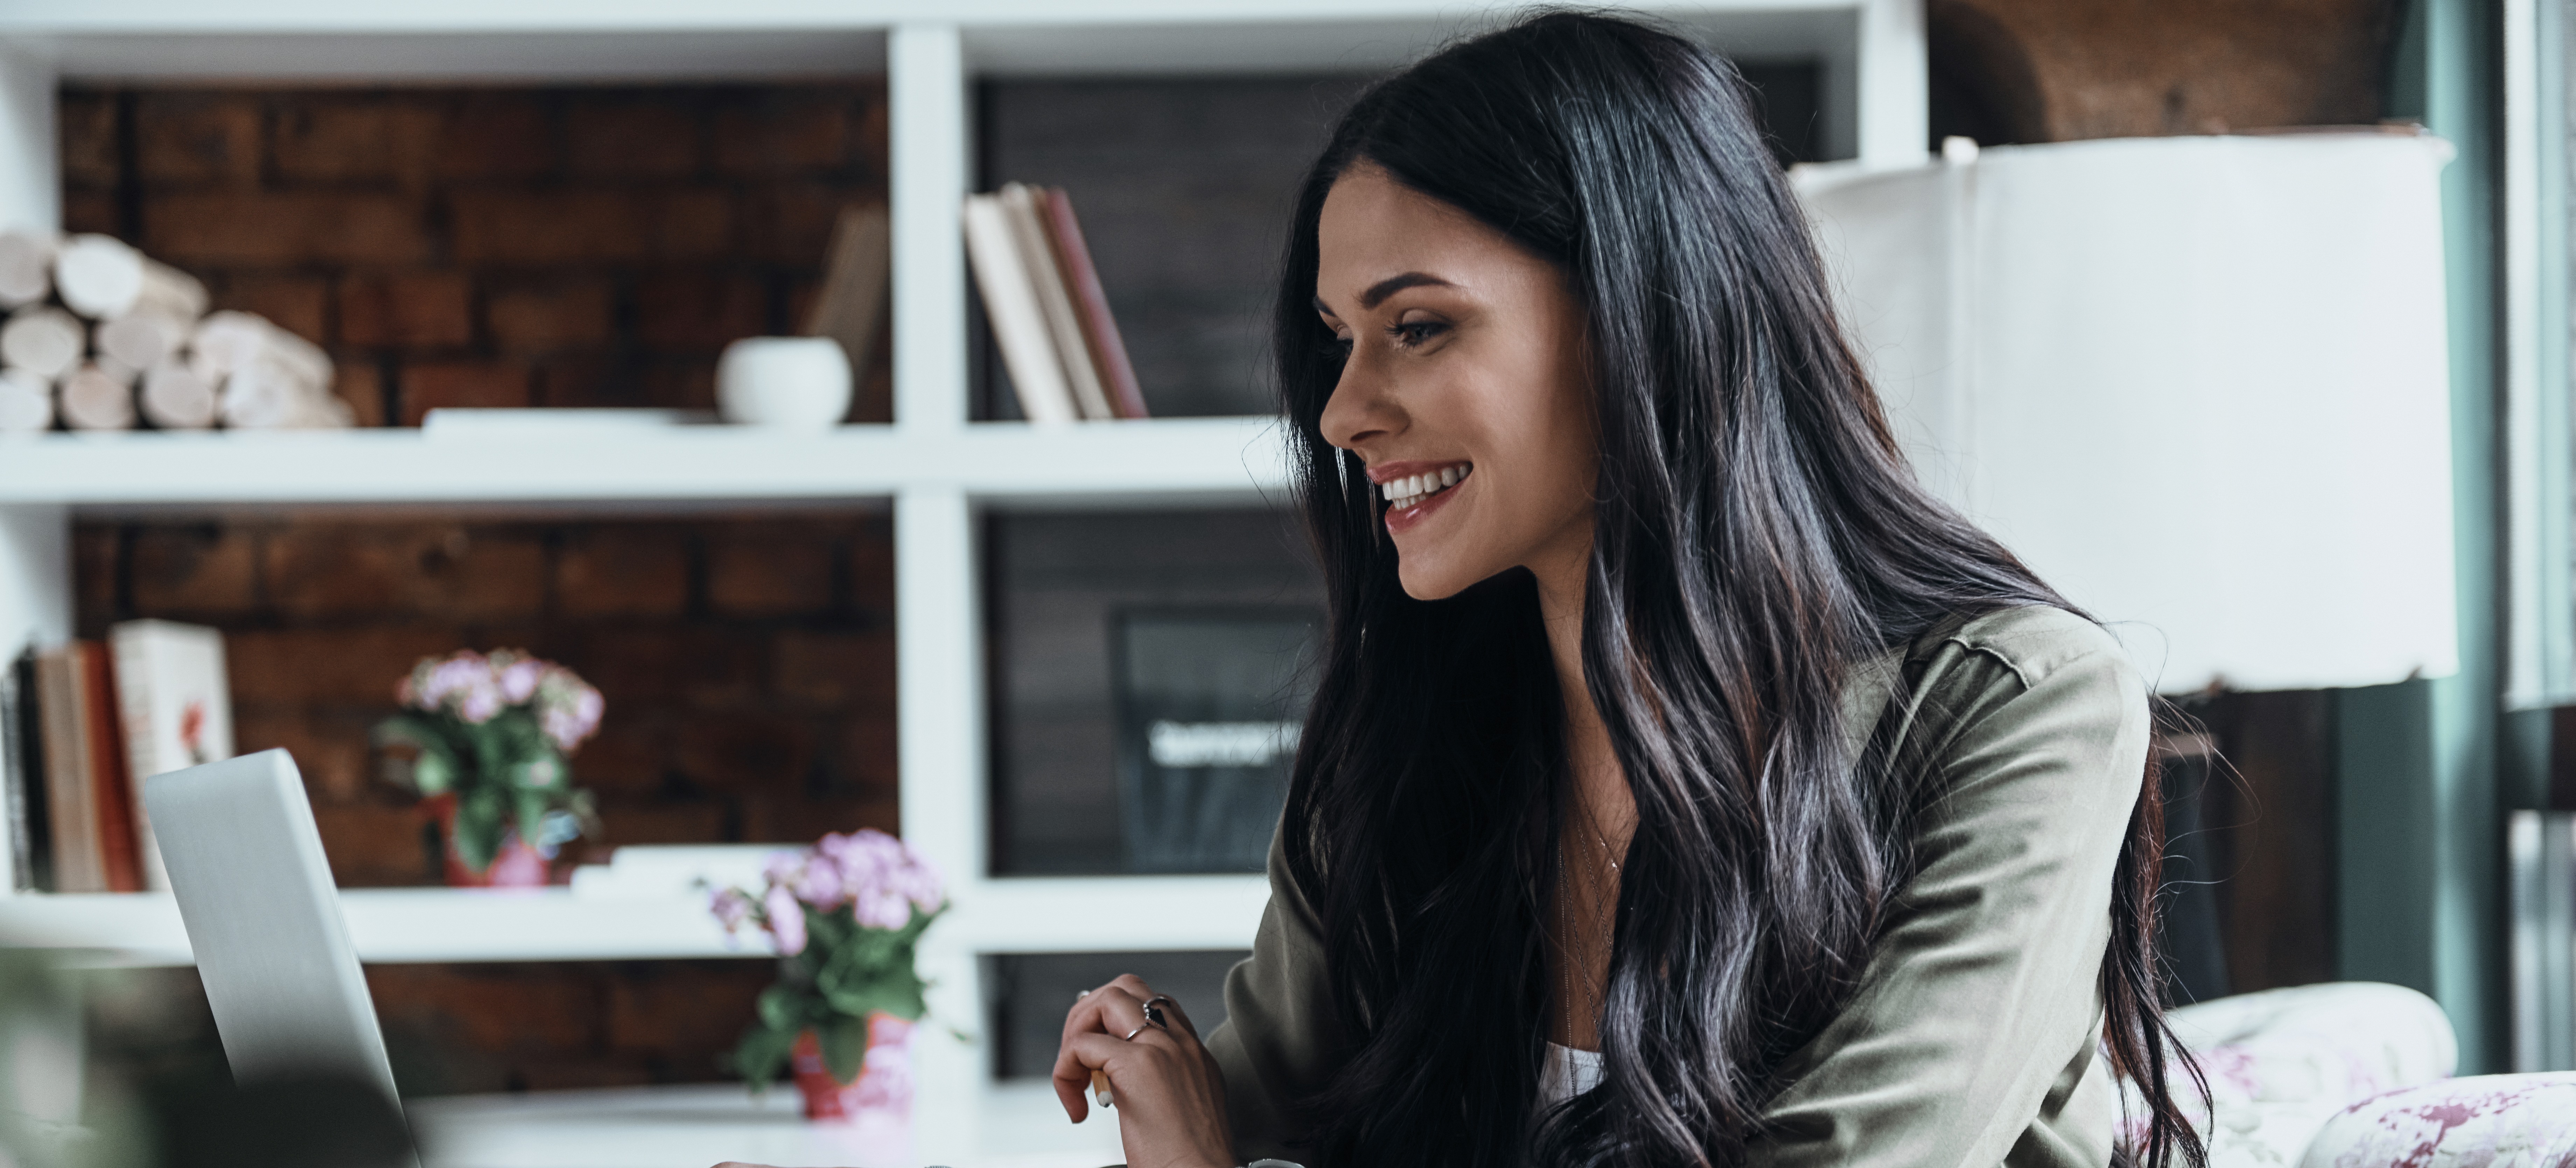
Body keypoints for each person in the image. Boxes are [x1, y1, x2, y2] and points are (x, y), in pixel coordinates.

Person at [1046, 11, 2207, 1168]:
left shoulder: (2013, 711)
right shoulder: (1403, 751)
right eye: (1339, 339)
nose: (1344, 412)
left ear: (1640, 315)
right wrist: (1160, 1079)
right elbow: (1268, 1110)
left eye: (1417, 326)